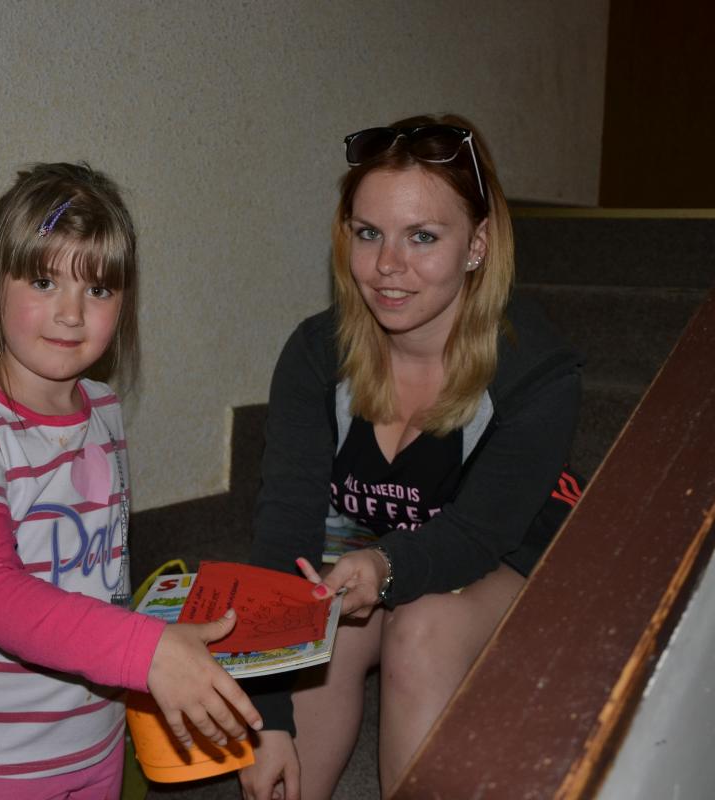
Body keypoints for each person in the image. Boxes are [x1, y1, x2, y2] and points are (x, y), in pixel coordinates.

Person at [238, 115, 584, 800]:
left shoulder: (536, 371)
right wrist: (266, 716)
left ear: (477, 245)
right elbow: (283, 534)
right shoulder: (316, 354)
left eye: (422, 236)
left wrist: (385, 567)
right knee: (320, 622)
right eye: (369, 233)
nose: (387, 266)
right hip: (366, 541)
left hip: (499, 555)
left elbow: (476, 534)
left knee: (421, 629)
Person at [0, 162, 262, 799]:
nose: (71, 313)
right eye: (44, 281)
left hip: (95, 734)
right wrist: (147, 652)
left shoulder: (102, 408)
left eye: (98, 289)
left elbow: (99, 573)